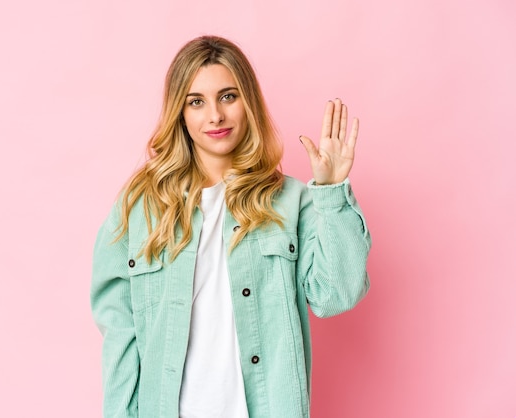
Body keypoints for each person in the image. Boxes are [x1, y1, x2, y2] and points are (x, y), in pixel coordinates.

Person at [91, 35, 371, 418]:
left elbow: (335, 295)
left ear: (248, 103)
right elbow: (120, 336)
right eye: (196, 101)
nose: (215, 116)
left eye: (228, 96)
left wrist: (332, 192)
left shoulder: (290, 201)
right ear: (180, 113)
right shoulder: (139, 208)